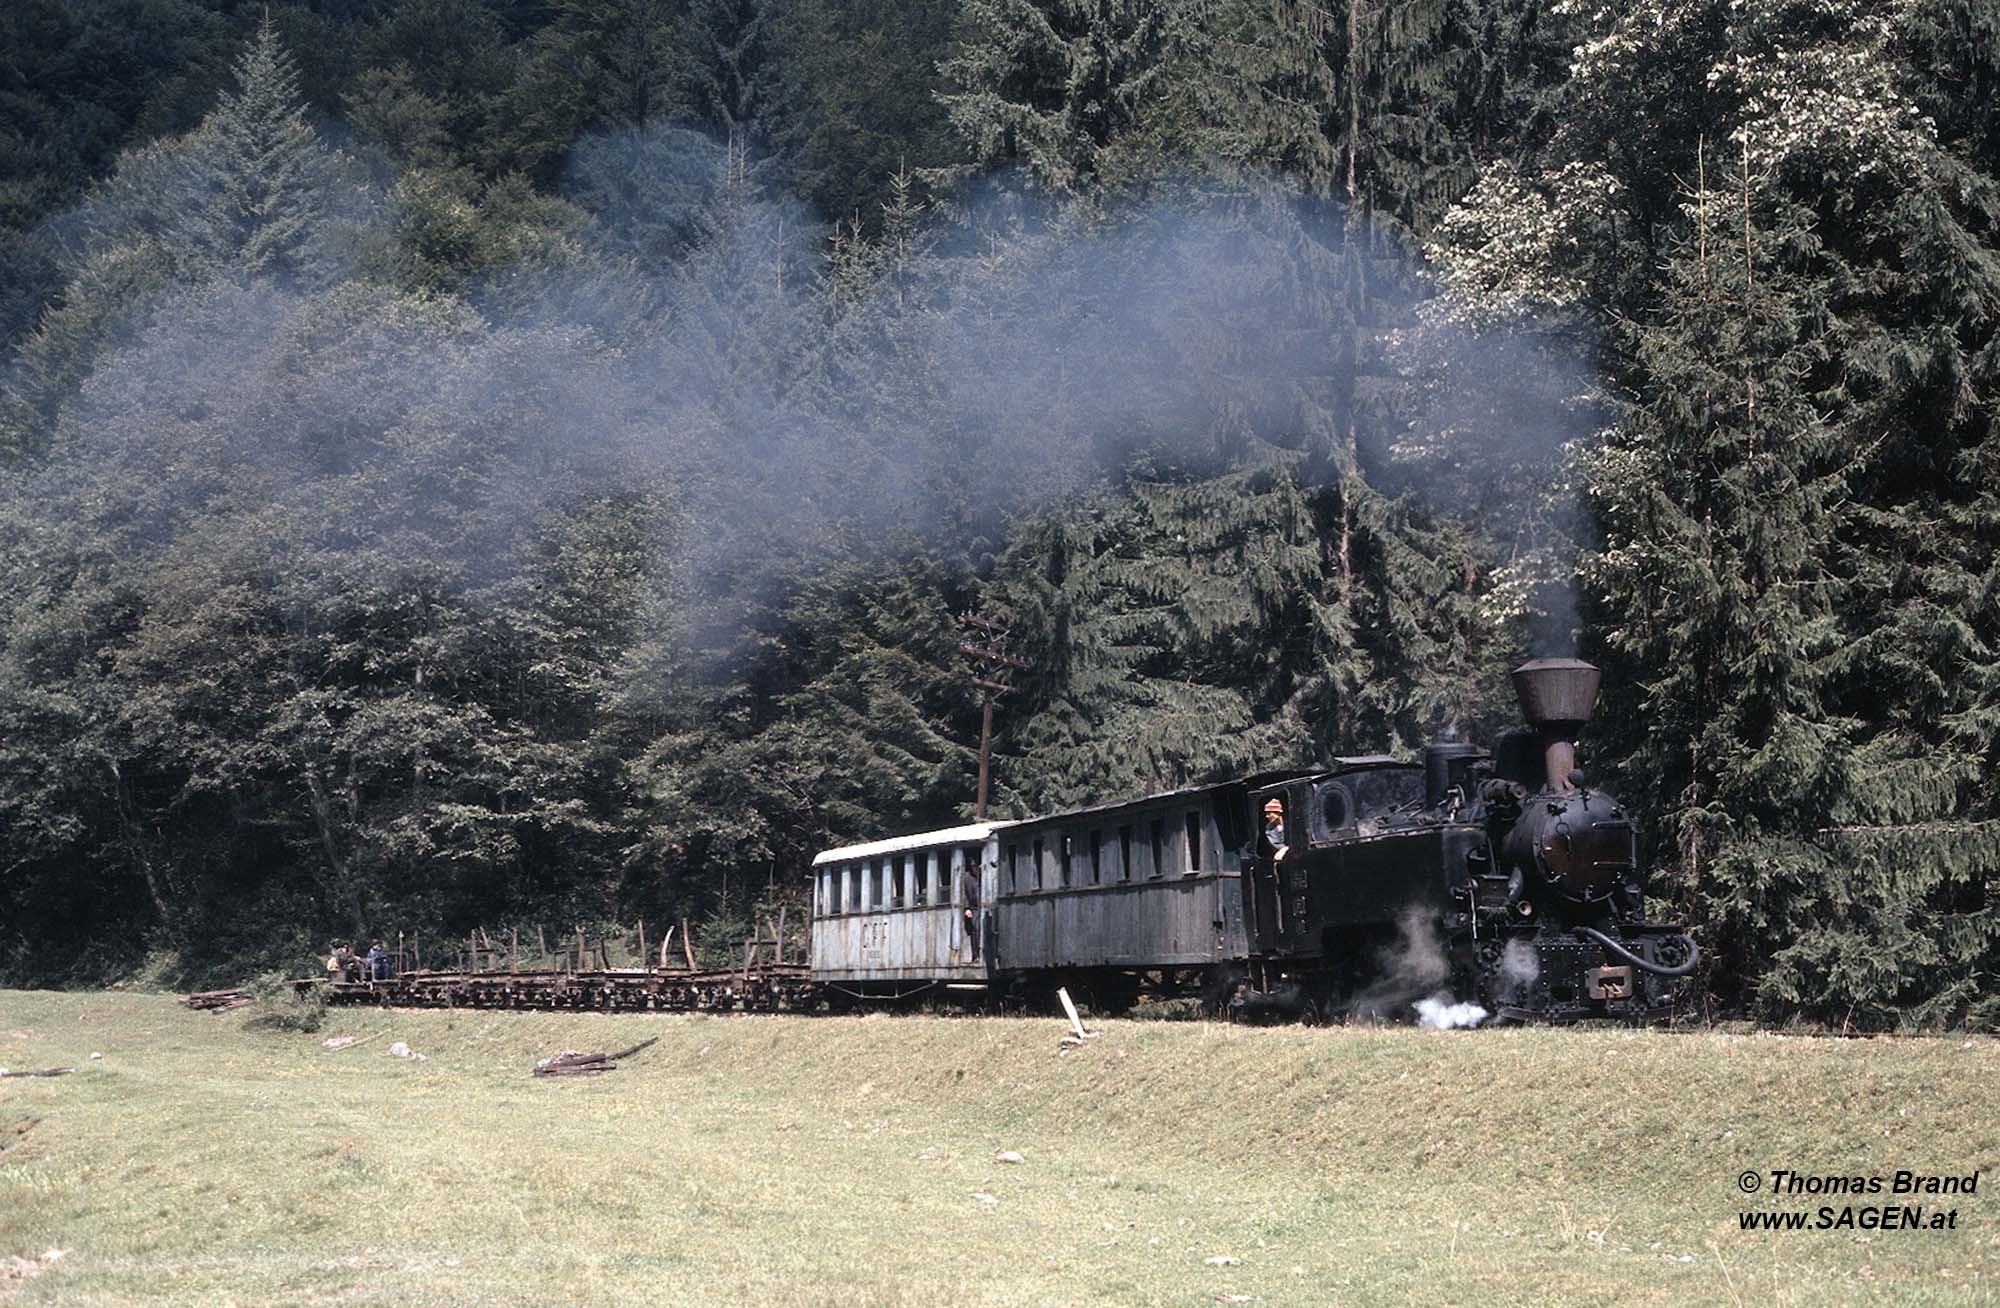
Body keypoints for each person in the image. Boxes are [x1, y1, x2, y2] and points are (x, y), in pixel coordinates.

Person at [1258, 797, 1290, 863]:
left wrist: (1285, 849)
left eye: (1269, 813)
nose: (1267, 816)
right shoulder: (1269, 828)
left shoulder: (1290, 824)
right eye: (1266, 813)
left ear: (1277, 813)